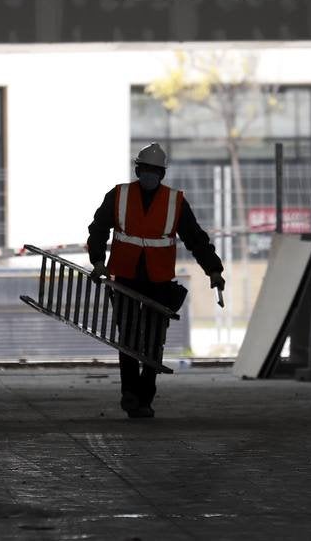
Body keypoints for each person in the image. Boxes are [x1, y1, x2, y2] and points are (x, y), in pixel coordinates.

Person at [86, 142, 225, 418]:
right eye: (145, 169)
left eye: (154, 171)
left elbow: (196, 239)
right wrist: (99, 262)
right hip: (125, 276)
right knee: (127, 337)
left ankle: (145, 397)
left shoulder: (175, 202)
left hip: (159, 280)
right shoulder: (119, 196)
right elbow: (98, 228)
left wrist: (213, 270)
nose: (149, 174)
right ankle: (129, 392)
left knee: (153, 339)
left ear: (162, 174)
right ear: (138, 169)